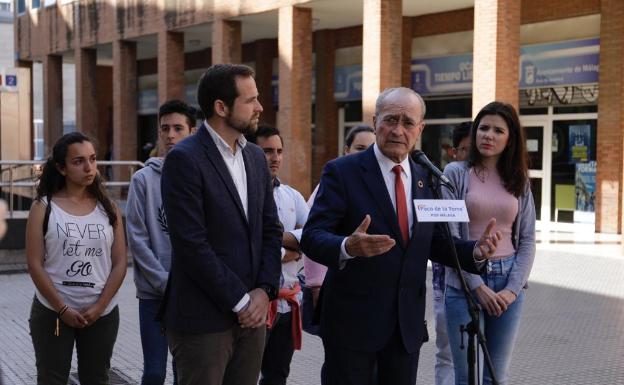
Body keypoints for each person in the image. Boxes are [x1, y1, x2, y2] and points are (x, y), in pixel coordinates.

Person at [300, 87, 502, 385]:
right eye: (390, 119)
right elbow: (312, 236)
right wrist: (347, 246)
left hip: (404, 327)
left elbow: (434, 243)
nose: (398, 130)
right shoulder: (342, 172)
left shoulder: (426, 177)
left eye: (408, 123)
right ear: (374, 120)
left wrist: (476, 252)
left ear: (420, 129)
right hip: (352, 325)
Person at [159, 64, 282, 385]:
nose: (260, 107)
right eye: (251, 100)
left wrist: (265, 291)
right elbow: (191, 244)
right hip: (203, 320)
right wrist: (242, 301)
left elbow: (271, 229)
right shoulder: (185, 158)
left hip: (253, 318)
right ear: (221, 107)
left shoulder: (255, 157)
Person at [442, 101, 536, 385]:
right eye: (483, 128)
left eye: (498, 130)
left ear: (510, 139)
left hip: (508, 281)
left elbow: (528, 239)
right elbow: (451, 237)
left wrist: (511, 290)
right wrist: (477, 286)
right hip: (463, 284)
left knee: (496, 377)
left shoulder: (518, 179)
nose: (488, 135)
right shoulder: (455, 173)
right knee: (466, 377)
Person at [25, 132, 127, 385]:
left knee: (96, 379)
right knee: (51, 378)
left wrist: (99, 307)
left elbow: (120, 263)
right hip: (54, 313)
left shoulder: (109, 208)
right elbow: (34, 264)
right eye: (78, 161)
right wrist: (62, 308)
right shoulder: (43, 207)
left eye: (92, 159)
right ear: (61, 167)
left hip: (101, 314)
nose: (89, 167)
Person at [126, 99, 197, 385]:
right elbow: (137, 237)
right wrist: (164, 282)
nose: (170, 135)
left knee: (186, 372)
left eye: (178, 128)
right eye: (165, 128)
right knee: (154, 372)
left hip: (192, 294)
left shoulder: (200, 176)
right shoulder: (142, 180)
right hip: (154, 294)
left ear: (192, 131)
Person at [248, 125, 309, 385]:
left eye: (279, 151)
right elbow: (251, 245)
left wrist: (279, 244)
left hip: (288, 303)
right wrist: (290, 249)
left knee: (277, 376)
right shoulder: (244, 196)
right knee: (246, 374)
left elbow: (313, 236)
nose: (275, 157)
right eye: (267, 151)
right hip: (256, 304)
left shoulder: (292, 196)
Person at [304, 124, 376, 321]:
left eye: (371, 150)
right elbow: (311, 235)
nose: (366, 155)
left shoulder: (378, 184)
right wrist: (317, 284)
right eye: (360, 148)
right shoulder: (333, 182)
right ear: (346, 150)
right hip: (337, 286)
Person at [431, 121, 471, 385]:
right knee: (447, 353)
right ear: (454, 152)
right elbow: (451, 236)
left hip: (484, 280)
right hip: (447, 281)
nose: (471, 155)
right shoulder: (448, 177)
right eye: (466, 149)